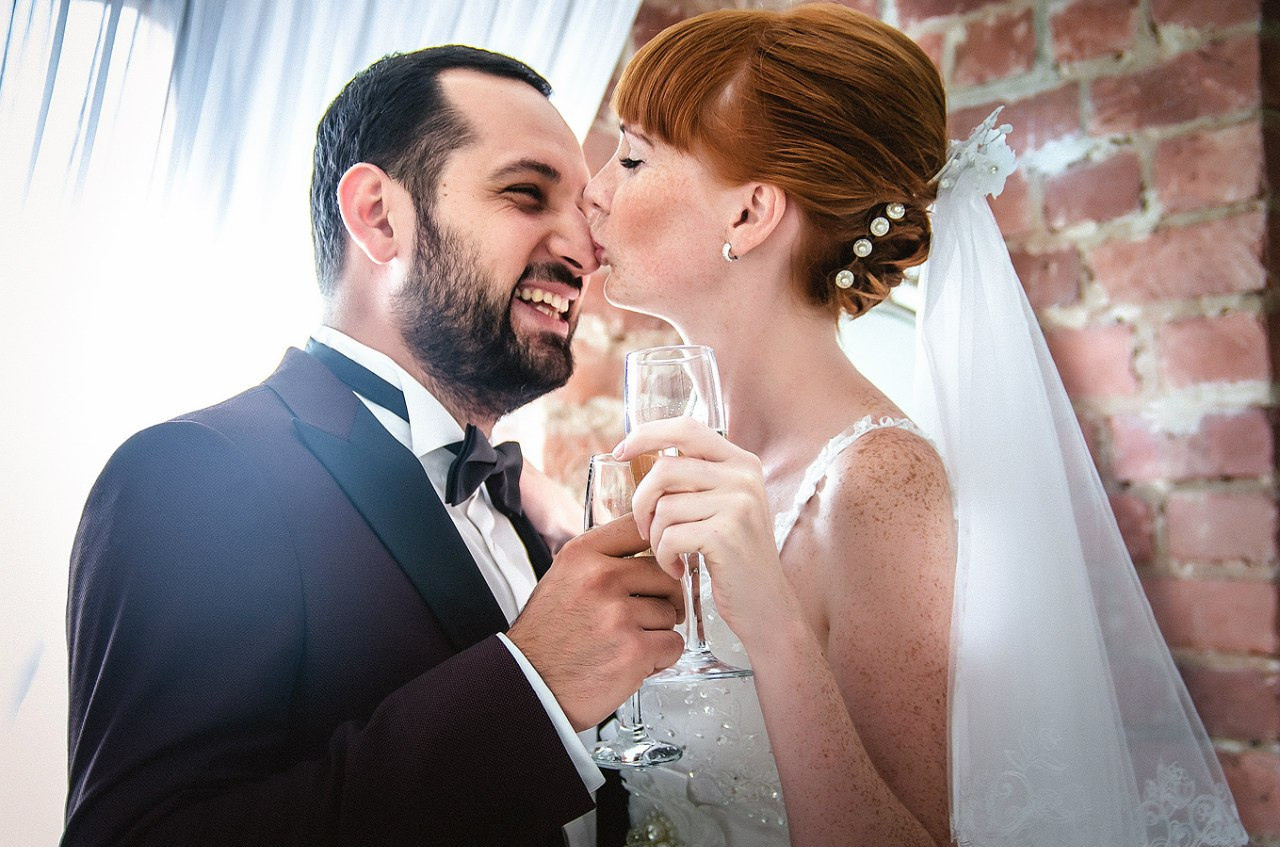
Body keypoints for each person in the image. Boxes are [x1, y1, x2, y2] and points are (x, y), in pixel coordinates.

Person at [584, 5, 1247, 847]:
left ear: (749, 216)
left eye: (632, 157)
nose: (594, 189)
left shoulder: (878, 483)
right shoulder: (679, 464)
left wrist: (777, 625)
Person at [63, 45, 684, 847]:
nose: (585, 249)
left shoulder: (524, 514)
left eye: (585, 212)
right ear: (378, 216)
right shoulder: (195, 473)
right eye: (527, 194)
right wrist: (533, 687)